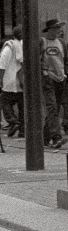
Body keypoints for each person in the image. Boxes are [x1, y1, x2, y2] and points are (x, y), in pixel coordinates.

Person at [40, 19, 67, 148]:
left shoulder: (61, 42)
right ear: (50, 29)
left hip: (60, 78)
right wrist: (44, 73)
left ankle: (44, 138)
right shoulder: (42, 42)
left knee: (55, 108)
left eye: (60, 28)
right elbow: (36, 59)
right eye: (57, 28)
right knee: (52, 107)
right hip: (48, 78)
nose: (59, 30)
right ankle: (56, 137)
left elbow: (65, 59)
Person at [0, 26, 24, 138]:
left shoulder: (9, 47)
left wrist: (0, 78)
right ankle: (23, 130)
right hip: (22, 81)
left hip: (10, 80)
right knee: (22, 106)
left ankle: (13, 122)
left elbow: (2, 65)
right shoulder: (24, 46)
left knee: (5, 102)